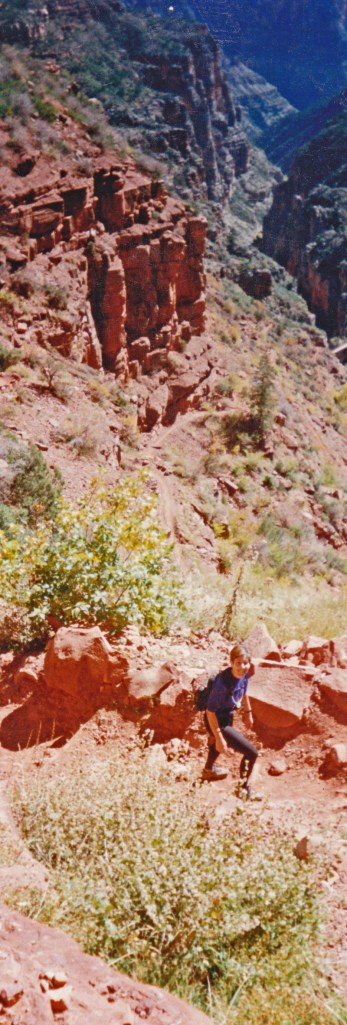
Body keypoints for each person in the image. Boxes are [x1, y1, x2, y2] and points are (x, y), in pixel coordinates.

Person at [202, 642, 261, 799]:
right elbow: (210, 712)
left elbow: (244, 691)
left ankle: (208, 770)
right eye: (238, 663)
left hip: (227, 715)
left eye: (245, 663)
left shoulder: (244, 675)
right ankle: (243, 789)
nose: (242, 667)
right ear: (231, 662)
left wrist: (248, 713)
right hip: (215, 720)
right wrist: (219, 736)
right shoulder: (222, 684)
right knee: (251, 752)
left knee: (217, 744)